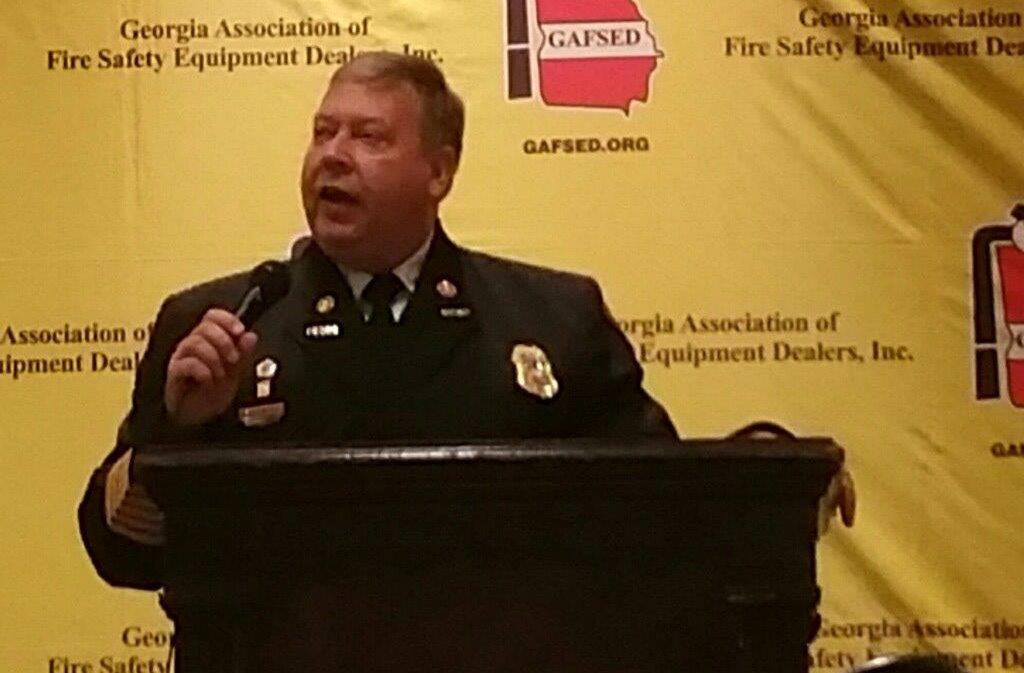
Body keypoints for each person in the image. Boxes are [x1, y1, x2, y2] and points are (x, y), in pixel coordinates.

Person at [78, 51, 677, 589]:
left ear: (438, 173)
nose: (333, 155)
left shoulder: (553, 318)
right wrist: (177, 433)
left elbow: (665, 519)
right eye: (322, 133)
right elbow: (121, 556)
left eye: (369, 137)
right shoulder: (213, 325)